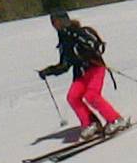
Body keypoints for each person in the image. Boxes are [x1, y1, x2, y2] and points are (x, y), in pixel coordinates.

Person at [38, 9, 128, 140]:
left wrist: (84, 50)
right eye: (53, 22)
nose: (54, 25)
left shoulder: (78, 33)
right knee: (72, 97)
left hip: (95, 68)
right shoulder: (64, 40)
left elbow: (94, 45)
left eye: (56, 21)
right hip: (80, 74)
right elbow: (65, 65)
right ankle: (90, 124)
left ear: (63, 20)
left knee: (91, 95)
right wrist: (49, 71)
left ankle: (116, 119)